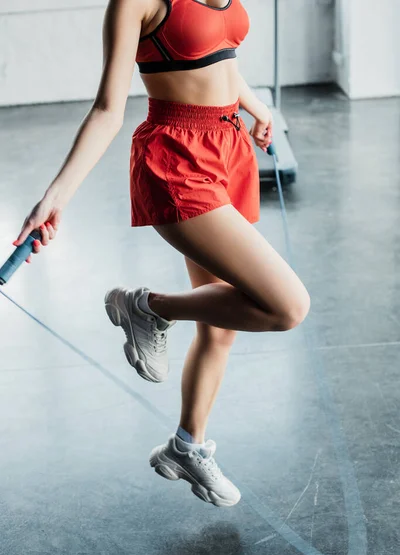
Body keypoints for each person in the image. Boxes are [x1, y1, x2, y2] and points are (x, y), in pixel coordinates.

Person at [14, 0, 310, 508]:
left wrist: (256, 108)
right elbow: (107, 109)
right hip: (177, 158)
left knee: (221, 329)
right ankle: (148, 308)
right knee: (287, 306)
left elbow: (219, 55)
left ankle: (186, 447)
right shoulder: (137, 2)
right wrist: (53, 198)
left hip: (229, 148)